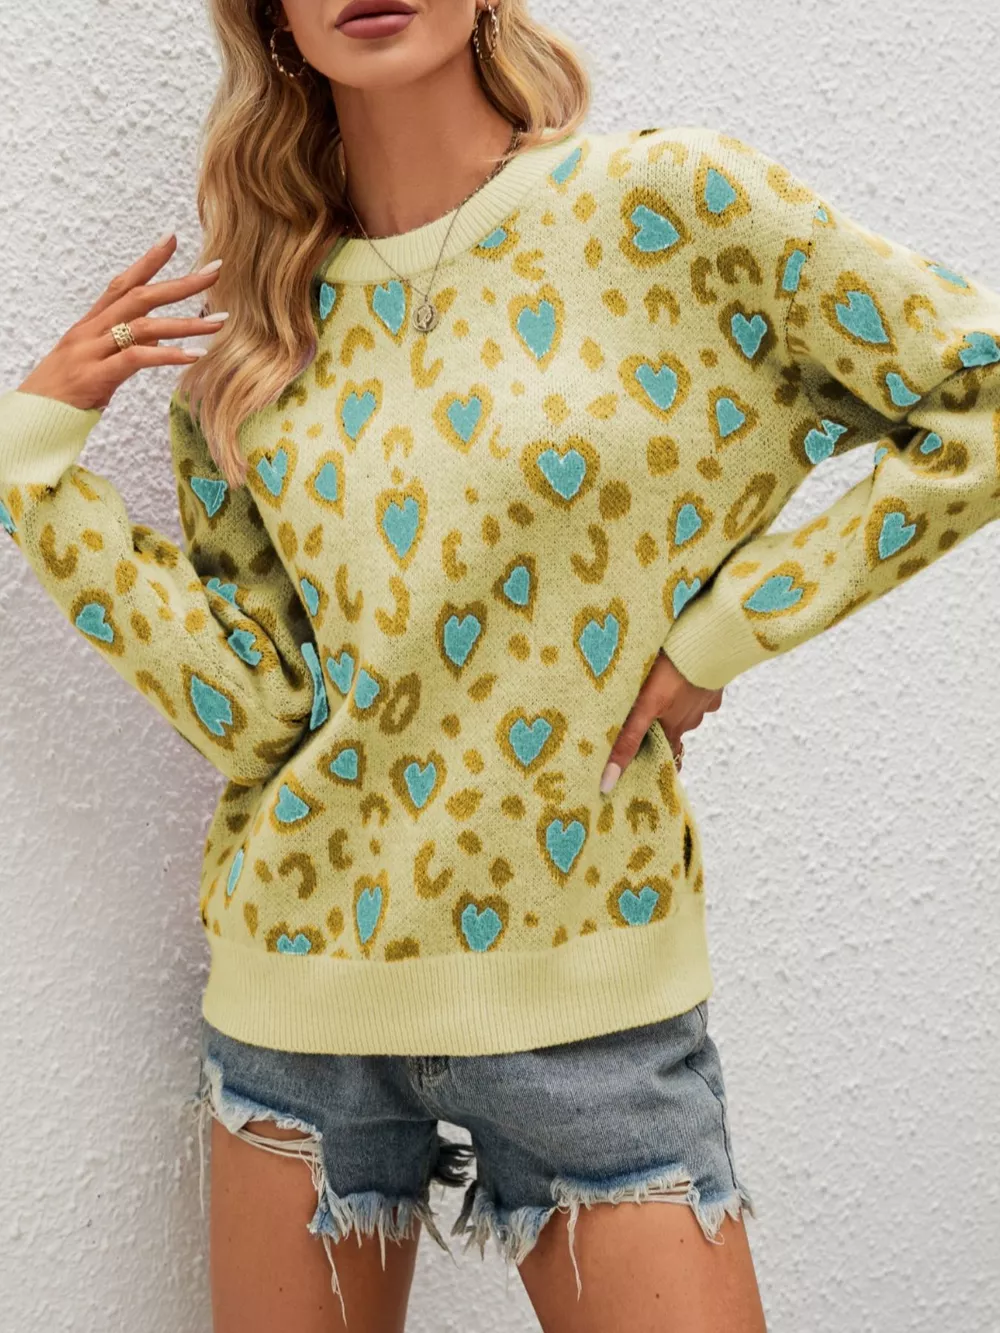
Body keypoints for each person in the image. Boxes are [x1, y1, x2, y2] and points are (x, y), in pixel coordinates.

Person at [3, 1, 999, 1329]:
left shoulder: (666, 208)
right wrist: (33, 471)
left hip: (591, 996)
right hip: (300, 1004)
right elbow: (256, 714)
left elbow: (977, 395)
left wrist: (729, 630)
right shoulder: (258, 335)